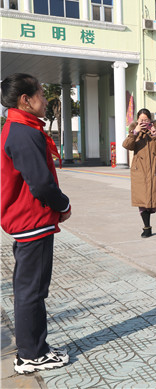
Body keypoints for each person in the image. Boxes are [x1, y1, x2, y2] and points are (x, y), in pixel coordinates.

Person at [1, 73, 72, 374]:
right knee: (32, 291)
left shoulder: (18, 127)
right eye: (41, 94)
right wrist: (63, 205)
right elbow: (41, 184)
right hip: (32, 220)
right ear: (25, 100)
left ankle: (33, 350)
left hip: (27, 219)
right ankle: (32, 354)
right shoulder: (22, 132)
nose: (44, 99)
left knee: (28, 289)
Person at [122, 108, 156, 238]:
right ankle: (147, 228)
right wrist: (135, 133)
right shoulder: (134, 133)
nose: (144, 122)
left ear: (150, 120)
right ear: (137, 120)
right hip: (140, 172)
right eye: (141, 120)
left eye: (146, 120)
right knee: (142, 202)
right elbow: (127, 146)